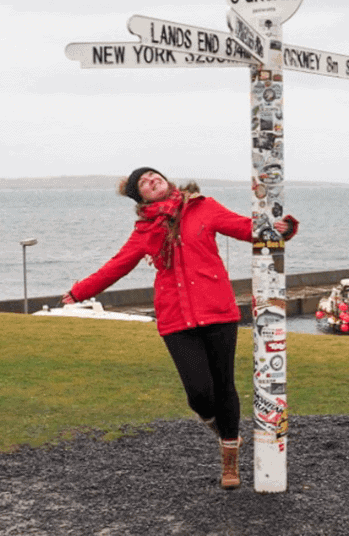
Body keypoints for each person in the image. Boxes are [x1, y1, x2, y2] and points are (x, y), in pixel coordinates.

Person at [62, 167, 298, 490]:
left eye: (153, 175)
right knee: (200, 395)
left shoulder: (203, 207)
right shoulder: (145, 230)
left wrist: (279, 228)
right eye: (143, 183)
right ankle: (223, 430)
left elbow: (244, 227)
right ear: (140, 197)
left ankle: (230, 459)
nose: (151, 180)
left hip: (217, 311)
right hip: (175, 319)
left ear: (165, 179)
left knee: (224, 385)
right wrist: (80, 291)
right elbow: (116, 266)